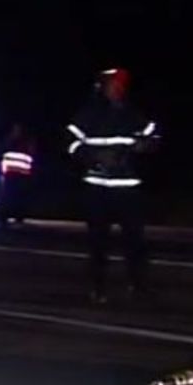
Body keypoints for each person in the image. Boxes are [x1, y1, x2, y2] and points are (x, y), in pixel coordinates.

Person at [67, 68, 158, 304]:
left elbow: (153, 140)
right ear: (103, 87)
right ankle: (97, 287)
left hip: (127, 186)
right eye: (113, 84)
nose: (117, 89)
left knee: (135, 240)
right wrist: (94, 157)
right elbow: (69, 144)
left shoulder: (133, 114)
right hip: (96, 186)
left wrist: (142, 148)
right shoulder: (87, 115)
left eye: (120, 85)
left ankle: (138, 285)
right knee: (98, 241)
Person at [0, 122, 36, 224]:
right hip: (9, 172)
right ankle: (4, 216)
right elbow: (2, 153)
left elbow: (31, 154)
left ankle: (18, 216)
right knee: (7, 195)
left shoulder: (27, 141)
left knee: (19, 195)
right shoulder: (8, 140)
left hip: (21, 173)